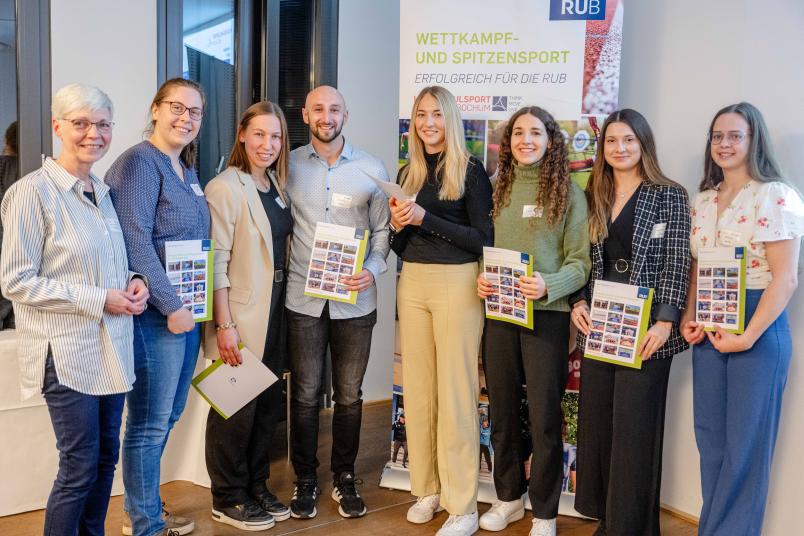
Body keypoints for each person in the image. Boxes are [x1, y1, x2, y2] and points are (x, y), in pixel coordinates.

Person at [0, 84, 149, 535]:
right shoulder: (32, 193)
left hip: (110, 347)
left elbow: (105, 265)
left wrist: (133, 283)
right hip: (65, 353)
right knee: (80, 465)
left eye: (103, 124)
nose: (94, 134)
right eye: (81, 123)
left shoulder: (103, 192)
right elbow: (15, 280)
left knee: (106, 458)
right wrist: (99, 297)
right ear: (57, 127)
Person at [680, 102, 803, 536]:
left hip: (758, 324)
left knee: (745, 447)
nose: (725, 144)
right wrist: (690, 315)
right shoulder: (703, 201)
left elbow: (785, 279)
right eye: (718, 136)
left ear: (754, 141)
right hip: (712, 320)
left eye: (735, 135)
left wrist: (748, 336)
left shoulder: (776, 195)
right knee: (711, 440)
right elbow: (698, 267)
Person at [569, 109, 691, 536]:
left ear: (644, 145)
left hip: (648, 331)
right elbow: (581, 260)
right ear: (602, 149)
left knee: (635, 430)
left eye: (629, 141)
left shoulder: (668, 194)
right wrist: (576, 304)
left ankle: (631, 528)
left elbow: (678, 263)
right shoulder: (592, 193)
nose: (620, 149)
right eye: (612, 142)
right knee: (600, 425)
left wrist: (665, 323)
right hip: (602, 324)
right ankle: (608, 520)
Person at [476, 106, 591, 536]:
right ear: (508, 142)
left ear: (550, 140)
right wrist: (480, 280)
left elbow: (580, 264)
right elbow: (480, 250)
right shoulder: (493, 189)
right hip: (501, 316)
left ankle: (544, 511)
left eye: (536, 133)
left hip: (548, 318)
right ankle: (508, 498)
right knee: (502, 411)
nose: (526, 140)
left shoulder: (570, 194)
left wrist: (550, 284)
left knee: (544, 417)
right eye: (518, 133)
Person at [106, 78, 210, 536]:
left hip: (184, 313)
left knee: (165, 415)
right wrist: (170, 304)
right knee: (148, 423)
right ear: (154, 109)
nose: (186, 118)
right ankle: (145, 524)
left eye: (195, 112)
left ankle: (144, 510)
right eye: (177, 107)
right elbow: (135, 242)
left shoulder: (185, 169)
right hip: (156, 316)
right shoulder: (139, 164)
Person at [284, 85, 390, 520]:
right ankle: (305, 480)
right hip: (302, 300)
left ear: (346, 114)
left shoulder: (371, 169)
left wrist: (373, 268)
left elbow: (383, 233)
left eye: (334, 109)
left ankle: (345, 478)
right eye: (318, 110)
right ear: (306, 115)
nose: (326, 117)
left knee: (349, 395)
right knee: (306, 395)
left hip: (356, 302)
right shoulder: (286, 164)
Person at [390, 85, 493, 536]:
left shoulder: (470, 171)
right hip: (412, 281)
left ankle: (463, 504)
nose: (428, 123)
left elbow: (484, 240)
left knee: (455, 393)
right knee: (419, 391)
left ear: (449, 119)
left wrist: (423, 220)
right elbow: (399, 243)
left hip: (458, 283)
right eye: (420, 115)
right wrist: (397, 226)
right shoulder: (407, 171)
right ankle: (427, 489)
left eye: (436, 114)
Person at [203, 101, 293, 531]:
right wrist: (224, 325)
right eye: (259, 134)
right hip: (239, 314)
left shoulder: (275, 182)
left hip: (276, 311)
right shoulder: (225, 187)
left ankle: (257, 485)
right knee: (234, 408)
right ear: (242, 135)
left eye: (275, 136)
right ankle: (228, 496)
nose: (267, 144)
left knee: (266, 407)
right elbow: (215, 263)